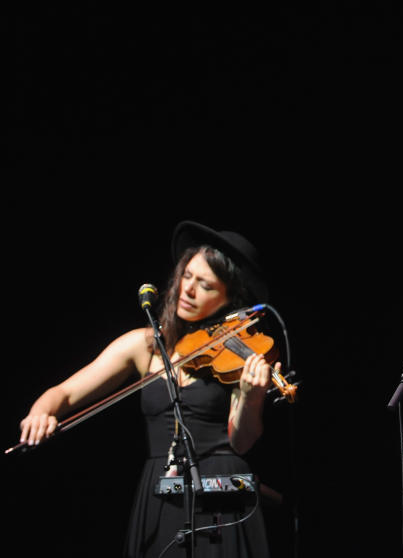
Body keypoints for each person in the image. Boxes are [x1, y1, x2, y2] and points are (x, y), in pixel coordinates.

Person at [18, 221, 275, 557]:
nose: (189, 291)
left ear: (229, 299)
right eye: (187, 277)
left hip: (220, 493)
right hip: (160, 490)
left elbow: (243, 440)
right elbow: (63, 393)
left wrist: (252, 395)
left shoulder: (241, 350)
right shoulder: (145, 346)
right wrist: (41, 412)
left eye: (206, 286)